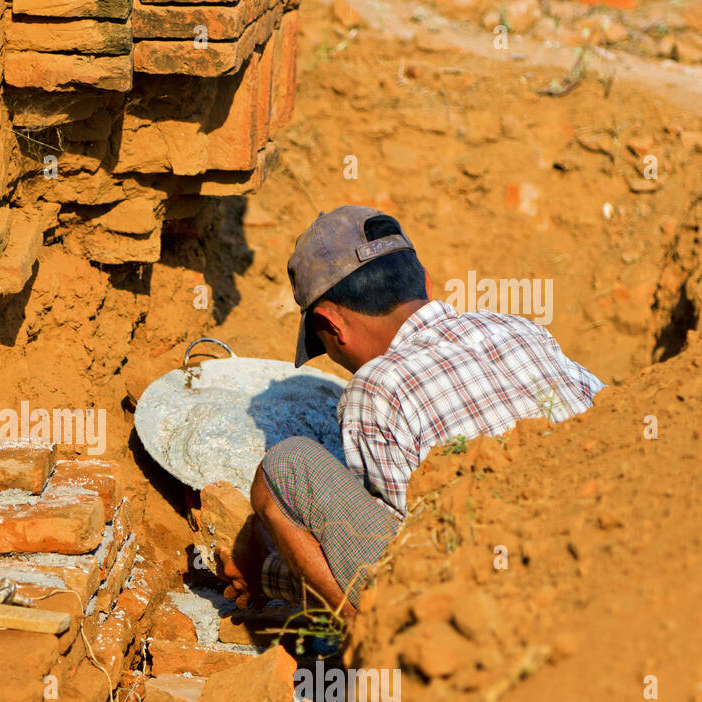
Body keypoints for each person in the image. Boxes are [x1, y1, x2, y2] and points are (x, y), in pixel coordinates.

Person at [219, 205, 604, 619]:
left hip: (489, 608)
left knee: (284, 467)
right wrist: (274, 575)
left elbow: (399, 568)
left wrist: (264, 558)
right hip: (592, 546)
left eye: (326, 346)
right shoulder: (518, 328)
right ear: (425, 283)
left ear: (333, 325)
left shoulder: (375, 387)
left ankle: (378, 656)